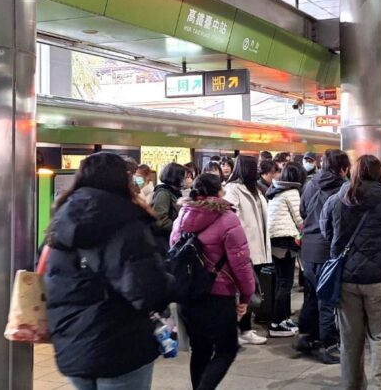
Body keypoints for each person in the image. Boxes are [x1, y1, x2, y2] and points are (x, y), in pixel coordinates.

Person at [45, 152, 174, 390]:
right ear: (123, 180)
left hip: (71, 345)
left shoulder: (60, 220)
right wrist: (171, 283)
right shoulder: (128, 223)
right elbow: (146, 291)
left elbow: (48, 277)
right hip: (120, 345)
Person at [320, 155, 381, 389]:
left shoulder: (335, 201)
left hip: (345, 279)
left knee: (350, 341)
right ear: (380, 174)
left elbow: (326, 232)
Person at [171, 174, 255, 390]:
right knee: (227, 349)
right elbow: (241, 263)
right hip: (218, 294)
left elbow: (174, 251)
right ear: (219, 192)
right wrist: (247, 295)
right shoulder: (227, 218)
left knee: (200, 350)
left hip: (189, 293)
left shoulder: (182, 216)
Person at [295, 149, 350, 364]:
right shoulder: (343, 188)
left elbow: (302, 211)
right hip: (327, 248)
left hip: (308, 248)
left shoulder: (311, 184)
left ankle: (307, 336)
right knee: (327, 299)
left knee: (312, 294)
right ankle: (329, 346)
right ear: (343, 168)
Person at [223, 155, 271, 346]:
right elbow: (230, 215)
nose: (257, 170)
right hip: (244, 247)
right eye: (254, 167)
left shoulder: (255, 189)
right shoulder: (233, 189)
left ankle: (245, 329)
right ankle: (238, 329)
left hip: (257, 246)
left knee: (250, 290)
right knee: (243, 290)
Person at [266, 162, 305, 337]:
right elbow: (300, 219)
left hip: (275, 239)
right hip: (285, 240)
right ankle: (276, 323)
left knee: (282, 281)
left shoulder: (276, 190)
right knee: (285, 282)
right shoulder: (292, 192)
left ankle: (283, 318)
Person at [151, 163, 191, 252]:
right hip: (165, 241)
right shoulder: (163, 193)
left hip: (172, 239)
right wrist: (178, 228)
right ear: (176, 177)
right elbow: (160, 219)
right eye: (185, 177)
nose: (186, 180)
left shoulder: (175, 192)